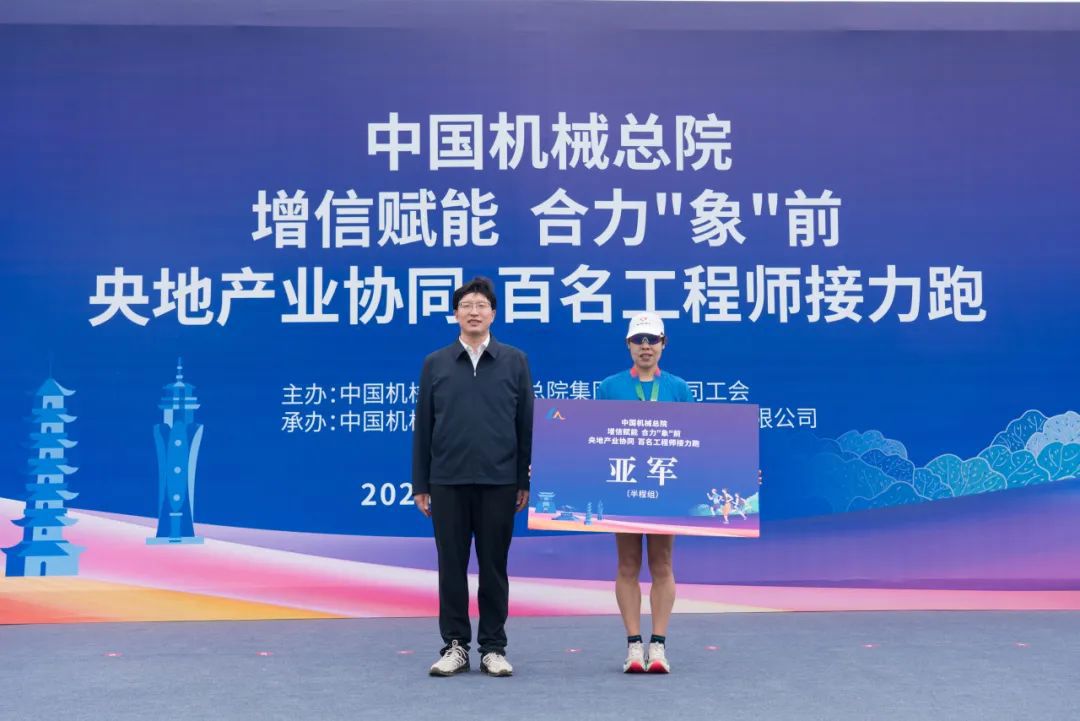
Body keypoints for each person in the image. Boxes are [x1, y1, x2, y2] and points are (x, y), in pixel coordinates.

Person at [412, 276, 534, 678]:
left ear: (493, 314)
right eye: (466, 306)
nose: (474, 312)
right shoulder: (436, 363)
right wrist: (421, 483)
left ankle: (493, 647)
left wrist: (523, 480)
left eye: (481, 305)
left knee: (494, 566)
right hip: (448, 480)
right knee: (451, 566)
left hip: (500, 481)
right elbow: (424, 426)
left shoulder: (514, 361)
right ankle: (455, 646)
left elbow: (525, 424)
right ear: (456, 314)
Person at [595, 312, 693, 674]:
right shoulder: (609, 387)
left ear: (664, 344)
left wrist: (737, 473)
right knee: (627, 564)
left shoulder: (679, 389)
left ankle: (659, 645)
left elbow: (700, 441)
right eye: (639, 340)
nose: (646, 346)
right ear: (628, 345)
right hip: (623, 487)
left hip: (666, 487)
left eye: (652, 339)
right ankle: (634, 645)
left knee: (662, 564)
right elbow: (590, 439)